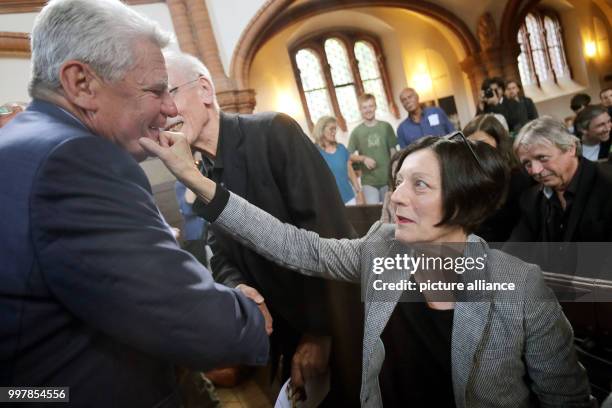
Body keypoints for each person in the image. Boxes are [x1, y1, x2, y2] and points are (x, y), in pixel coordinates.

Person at [142, 131, 593, 408]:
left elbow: (565, 399)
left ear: (464, 203)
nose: (396, 197)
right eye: (398, 183)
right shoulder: (383, 252)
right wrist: (196, 180)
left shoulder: (517, 285)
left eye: (419, 185)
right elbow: (295, 246)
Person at [0, 1, 268, 406]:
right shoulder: (75, 159)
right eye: (156, 89)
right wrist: (245, 315)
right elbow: (186, 318)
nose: (171, 108)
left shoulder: (23, 143)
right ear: (81, 83)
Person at [163, 51, 362, 405]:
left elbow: (330, 233)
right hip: (285, 334)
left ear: (205, 90)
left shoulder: (273, 132)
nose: (163, 112)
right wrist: (238, 285)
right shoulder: (203, 175)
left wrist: (321, 332)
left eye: (169, 93)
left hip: (338, 327)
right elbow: (220, 255)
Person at [510, 116, 612, 243]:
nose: (535, 170)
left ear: (570, 148)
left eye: (542, 158)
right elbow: (515, 246)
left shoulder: (607, 185)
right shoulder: (531, 199)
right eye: (527, 164)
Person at [464, 114, 533, 242]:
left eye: (482, 143)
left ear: (498, 142)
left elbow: (524, 225)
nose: (475, 150)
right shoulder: (469, 176)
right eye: (469, 145)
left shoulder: (517, 176)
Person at [348, 93, 397, 204]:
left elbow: (394, 153)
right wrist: (363, 159)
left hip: (387, 180)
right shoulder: (356, 132)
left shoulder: (386, 127)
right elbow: (348, 154)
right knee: (374, 215)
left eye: (371, 106)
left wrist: (394, 175)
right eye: (364, 107)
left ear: (375, 107)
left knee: (391, 214)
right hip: (369, 182)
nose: (368, 110)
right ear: (360, 109)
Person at [313, 116, 363, 205]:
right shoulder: (314, 152)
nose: (334, 132)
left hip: (350, 198)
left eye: (335, 129)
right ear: (321, 130)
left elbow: (350, 172)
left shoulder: (341, 148)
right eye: (331, 129)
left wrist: (359, 193)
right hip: (330, 203)